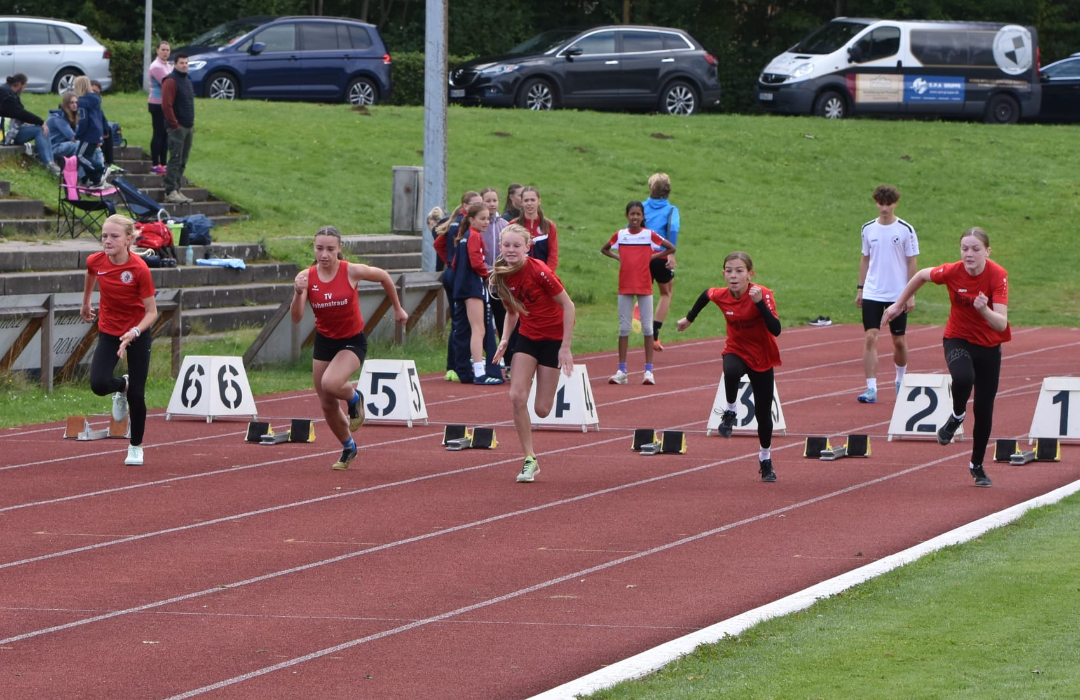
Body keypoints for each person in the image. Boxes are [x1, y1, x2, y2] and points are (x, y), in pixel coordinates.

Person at [881, 227, 1009, 488]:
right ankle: (957, 415)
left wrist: (984, 309)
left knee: (984, 410)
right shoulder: (952, 271)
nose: (969, 254)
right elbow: (920, 275)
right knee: (963, 377)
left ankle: (977, 465)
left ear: (987, 251)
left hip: (989, 346)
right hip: (958, 338)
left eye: (975, 249)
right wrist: (898, 303)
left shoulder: (998, 275)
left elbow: (1001, 323)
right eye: (964, 248)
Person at [290, 226, 408, 471]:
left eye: (330, 249)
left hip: (352, 341)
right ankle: (348, 447)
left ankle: (356, 398)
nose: (324, 254)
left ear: (339, 248)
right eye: (319, 248)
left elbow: (385, 276)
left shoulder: (351, 271)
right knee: (326, 403)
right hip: (325, 342)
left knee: (331, 384)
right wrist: (297, 292)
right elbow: (297, 317)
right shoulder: (306, 277)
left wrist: (397, 308)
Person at [677, 252, 782, 482]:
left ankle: (765, 459)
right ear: (723, 273)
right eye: (728, 271)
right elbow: (706, 295)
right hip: (736, 348)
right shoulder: (722, 294)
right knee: (731, 371)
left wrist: (759, 305)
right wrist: (689, 319)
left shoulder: (762, 294)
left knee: (764, 416)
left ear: (750, 274)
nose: (733, 276)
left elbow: (776, 329)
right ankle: (731, 410)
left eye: (739, 271)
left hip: (762, 356)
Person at [491, 225, 576, 483]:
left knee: (541, 409)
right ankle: (530, 458)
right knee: (516, 396)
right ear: (500, 247)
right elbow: (513, 311)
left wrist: (565, 347)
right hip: (527, 337)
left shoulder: (539, 270)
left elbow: (568, 305)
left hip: (552, 340)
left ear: (527, 247)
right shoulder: (501, 276)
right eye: (507, 245)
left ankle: (545, 375)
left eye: (517, 246)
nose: (511, 250)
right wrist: (505, 340)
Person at [80, 214, 158, 466]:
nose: (107, 240)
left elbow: (152, 312)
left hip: (138, 333)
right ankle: (120, 387)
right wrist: (86, 302)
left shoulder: (139, 268)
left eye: (114, 236)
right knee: (99, 384)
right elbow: (91, 272)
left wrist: (134, 332)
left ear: (128, 240)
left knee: (138, 394)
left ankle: (135, 446)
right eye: (104, 235)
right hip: (110, 331)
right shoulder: (96, 260)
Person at [601, 201, 675, 386]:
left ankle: (648, 371)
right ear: (627, 216)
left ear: (643, 217)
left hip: (644, 286)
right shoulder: (620, 235)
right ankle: (622, 370)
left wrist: (653, 256)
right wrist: (619, 257)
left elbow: (670, 247)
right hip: (625, 286)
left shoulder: (649, 235)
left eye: (638, 214)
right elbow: (604, 248)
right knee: (624, 328)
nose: (635, 217)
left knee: (648, 328)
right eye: (632, 214)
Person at [856, 185, 919, 403]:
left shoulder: (905, 229)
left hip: (897, 294)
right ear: (875, 203)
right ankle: (871, 388)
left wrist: (909, 293)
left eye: (888, 204)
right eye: (880, 203)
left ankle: (900, 380)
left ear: (895, 204)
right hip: (873, 291)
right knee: (870, 337)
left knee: (899, 340)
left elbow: (912, 261)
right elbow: (865, 259)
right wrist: (860, 288)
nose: (884, 208)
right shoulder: (867, 229)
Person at [450, 202, 504, 385]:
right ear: (471, 219)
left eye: (488, 218)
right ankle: (480, 373)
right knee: (478, 329)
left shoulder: (465, 236)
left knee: (466, 329)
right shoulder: (473, 236)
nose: (486, 222)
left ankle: (465, 370)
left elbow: (454, 264)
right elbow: (476, 262)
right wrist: (488, 275)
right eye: (482, 218)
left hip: (463, 286)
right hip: (473, 287)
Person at [434, 191, 481, 381]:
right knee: (462, 324)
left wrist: (449, 263)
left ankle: (456, 364)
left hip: (451, 273)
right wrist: (454, 262)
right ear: (465, 206)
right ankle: (457, 365)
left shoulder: (455, 222)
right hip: (459, 275)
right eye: (476, 203)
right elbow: (439, 244)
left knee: (459, 322)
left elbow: (438, 243)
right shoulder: (464, 225)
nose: (481, 206)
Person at [643, 173, 680, 351]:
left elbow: (630, 229)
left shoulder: (641, 207)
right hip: (661, 255)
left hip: (641, 256)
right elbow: (672, 229)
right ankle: (655, 335)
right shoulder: (671, 210)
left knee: (644, 291)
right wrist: (671, 254)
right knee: (666, 293)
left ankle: (638, 310)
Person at [1, 73, 61, 176]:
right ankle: (48, 163)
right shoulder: (6, 95)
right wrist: (40, 121)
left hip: (11, 129)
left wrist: (29, 121)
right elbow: (18, 112)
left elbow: (17, 112)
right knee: (40, 129)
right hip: (6, 133)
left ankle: (50, 162)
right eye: (24, 86)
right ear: (19, 84)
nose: (24, 89)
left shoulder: (10, 93)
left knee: (42, 129)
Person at [46, 91, 107, 182]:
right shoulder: (58, 117)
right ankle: (85, 178)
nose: (75, 105)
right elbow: (72, 136)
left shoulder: (75, 116)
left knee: (93, 146)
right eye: (72, 103)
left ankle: (101, 174)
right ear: (66, 104)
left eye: (76, 102)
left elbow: (80, 133)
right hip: (54, 147)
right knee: (79, 146)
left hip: (66, 145)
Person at [161, 54, 195, 204]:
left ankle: (177, 187)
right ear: (174, 64)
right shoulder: (170, 81)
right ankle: (170, 190)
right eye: (181, 63)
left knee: (183, 159)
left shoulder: (187, 81)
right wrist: (175, 124)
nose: (184, 65)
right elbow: (166, 105)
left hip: (188, 126)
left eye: (186, 63)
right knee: (175, 158)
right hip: (177, 127)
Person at [480, 187, 509, 349]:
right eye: (488, 201)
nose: (492, 204)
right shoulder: (478, 227)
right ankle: (486, 354)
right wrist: (487, 270)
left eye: (494, 201)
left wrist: (500, 270)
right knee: (483, 322)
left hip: (500, 283)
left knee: (502, 318)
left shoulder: (504, 225)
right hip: (482, 281)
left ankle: (508, 356)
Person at [72, 76, 107, 188]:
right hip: (96, 132)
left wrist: (77, 135)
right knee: (87, 155)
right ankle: (96, 180)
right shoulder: (95, 100)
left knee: (81, 156)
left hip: (89, 134)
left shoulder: (83, 102)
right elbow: (100, 116)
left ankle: (101, 169)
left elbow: (83, 121)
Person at [514, 186, 558, 271]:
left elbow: (553, 255)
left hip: (542, 275)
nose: (529, 203)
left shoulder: (549, 226)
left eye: (533, 200)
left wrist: (546, 274)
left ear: (539, 201)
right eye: (526, 200)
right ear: (521, 202)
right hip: (519, 274)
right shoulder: (513, 225)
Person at [147, 41, 171, 175]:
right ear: (157, 51)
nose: (165, 52)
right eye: (163, 50)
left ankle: (164, 163)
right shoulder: (156, 66)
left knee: (165, 135)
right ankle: (155, 164)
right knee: (158, 133)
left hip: (166, 103)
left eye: (167, 50)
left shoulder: (167, 65)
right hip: (156, 103)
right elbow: (168, 82)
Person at [90, 79, 124, 174]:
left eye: (97, 93)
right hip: (87, 132)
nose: (95, 95)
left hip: (96, 131)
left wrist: (105, 130)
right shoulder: (85, 102)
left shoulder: (96, 103)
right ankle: (102, 164)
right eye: (93, 91)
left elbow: (102, 117)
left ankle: (110, 162)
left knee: (108, 130)